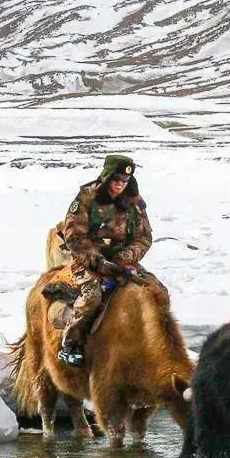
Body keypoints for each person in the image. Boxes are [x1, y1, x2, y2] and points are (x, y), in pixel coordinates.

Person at [56, 155, 153, 367]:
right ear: (107, 176)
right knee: (92, 297)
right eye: (116, 179)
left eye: (124, 181)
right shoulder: (87, 197)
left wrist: (123, 258)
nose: (120, 185)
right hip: (88, 261)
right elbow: (74, 236)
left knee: (157, 291)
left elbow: (144, 238)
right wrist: (98, 262)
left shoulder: (134, 202)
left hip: (122, 261)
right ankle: (70, 344)